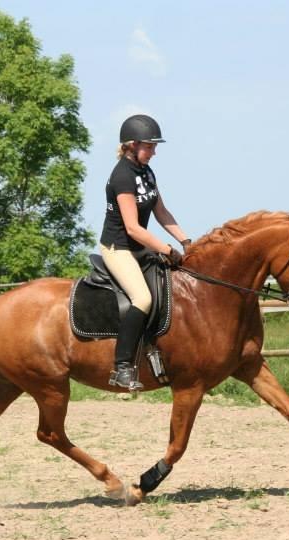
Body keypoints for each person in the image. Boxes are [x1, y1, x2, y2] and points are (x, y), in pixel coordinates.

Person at [100, 114, 191, 390]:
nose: (154, 151)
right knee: (142, 298)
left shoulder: (146, 172)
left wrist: (186, 241)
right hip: (119, 248)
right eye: (150, 146)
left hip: (141, 249)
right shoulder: (122, 177)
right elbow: (132, 228)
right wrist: (167, 249)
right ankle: (123, 366)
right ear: (132, 145)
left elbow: (161, 212)